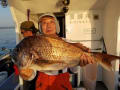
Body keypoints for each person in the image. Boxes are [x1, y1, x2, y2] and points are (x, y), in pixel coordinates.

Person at [15, 13, 95, 90]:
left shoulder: (67, 42)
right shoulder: (35, 43)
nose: (48, 25)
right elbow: (32, 75)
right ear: (40, 27)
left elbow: (72, 71)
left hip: (62, 84)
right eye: (44, 23)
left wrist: (79, 64)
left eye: (51, 22)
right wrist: (26, 74)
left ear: (56, 25)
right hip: (42, 84)